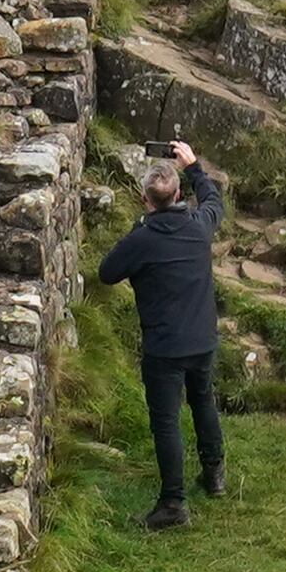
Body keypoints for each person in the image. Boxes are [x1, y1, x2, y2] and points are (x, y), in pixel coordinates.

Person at [93, 138, 227, 530]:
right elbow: (214, 202)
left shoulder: (142, 240)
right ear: (179, 194)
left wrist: (140, 231)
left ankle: (173, 503)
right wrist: (194, 164)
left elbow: (106, 272)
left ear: (144, 199)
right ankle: (214, 474)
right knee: (203, 401)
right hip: (202, 339)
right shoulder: (199, 228)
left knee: (166, 421)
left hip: (164, 347)